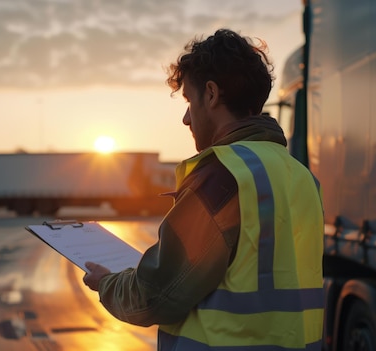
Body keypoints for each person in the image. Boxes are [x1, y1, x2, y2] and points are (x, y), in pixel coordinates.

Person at [83, 28, 324, 351]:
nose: (185, 118)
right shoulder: (300, 175)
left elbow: (156, 294)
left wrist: (108, 283)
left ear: (210, 95)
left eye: (188, 100)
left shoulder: (224, 175)